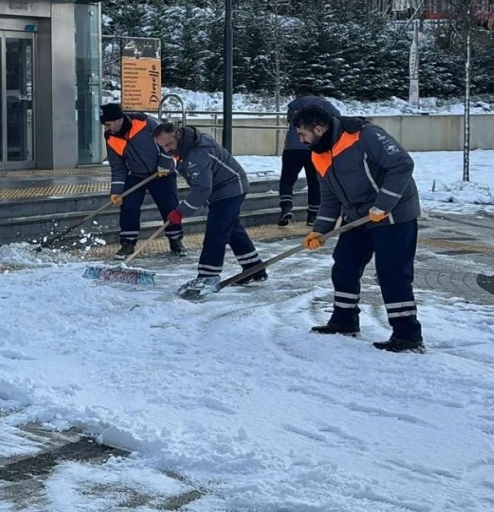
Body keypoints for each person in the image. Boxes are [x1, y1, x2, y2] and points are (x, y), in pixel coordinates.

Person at [292, 106, 424, 353]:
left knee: (392, 273)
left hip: (394, 214)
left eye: (303, 134)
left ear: (318, 129)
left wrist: (383, 204)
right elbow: (330, 196)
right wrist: (320, 230)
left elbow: (403, 164)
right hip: (358, 217)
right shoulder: (319, 154)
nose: (301, 140)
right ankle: (344, 320)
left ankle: (408, 335)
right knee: (344, 264)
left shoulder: (365, 136)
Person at [152, 122, 267, 296]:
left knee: (216, 232)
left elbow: (203, 188)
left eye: (169, 145)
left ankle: (208, 276)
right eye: (162, 147)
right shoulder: (186, 146)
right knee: (232, 230)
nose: (167, 150)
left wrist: (181, 211)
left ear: (178, 135)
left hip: (231, 188)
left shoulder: (197, 153)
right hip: (221, 189)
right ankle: (255, 269)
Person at [100, 103, 184, 259]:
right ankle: (128, 243)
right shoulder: (111, 138)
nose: (108, 128)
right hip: (136, 174)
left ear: (118, 119)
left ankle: (175, 240)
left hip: (162, 173)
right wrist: (117, 191)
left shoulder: (145, 122)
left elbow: (169, 143)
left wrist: (164, 164)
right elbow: (118, 167)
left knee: (169, 207)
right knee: (129, 207)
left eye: (109, 124)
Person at [278, 81, 340, 227]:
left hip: (292, 147)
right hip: (314, 146)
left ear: (299, 93)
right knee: (314, 181)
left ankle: (286, 207)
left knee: (287, 179)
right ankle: (313, 215)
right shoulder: (323, 103)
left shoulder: (293, 105)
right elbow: (337, 116)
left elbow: (291, 121)